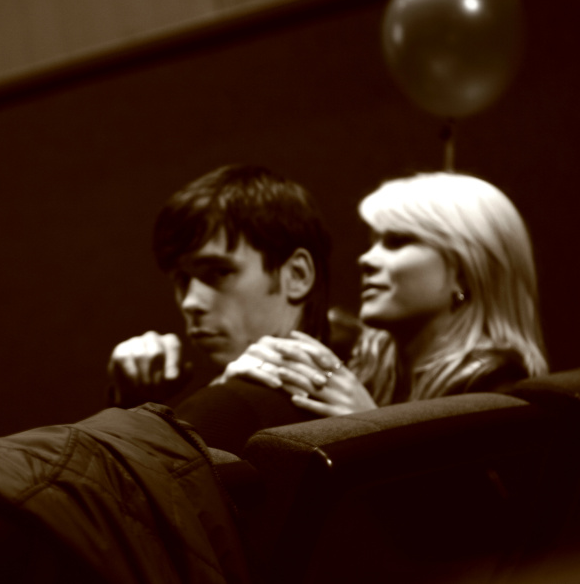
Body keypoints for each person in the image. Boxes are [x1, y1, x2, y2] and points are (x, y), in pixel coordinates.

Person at [183, 171, 547, 452]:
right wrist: (246, 373)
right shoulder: (362, 354)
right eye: (373, 241)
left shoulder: (496, 384)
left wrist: (368, 424)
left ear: (466, 270)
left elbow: (477, 518)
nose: (366, 259)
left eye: (397, 242)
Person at [106, 164, 333, 409]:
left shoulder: (225, 412)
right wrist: (133, 402)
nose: (190, 302)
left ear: (297, 275)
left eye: (219, 272)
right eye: (182, 279)